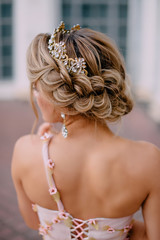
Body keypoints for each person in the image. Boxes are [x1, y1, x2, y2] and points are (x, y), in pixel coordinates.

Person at [11, 21, 160, 240]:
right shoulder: (148, 159)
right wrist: (120, 228)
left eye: (37, 87)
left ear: (58, 96)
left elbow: (33, 222)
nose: (35, 95)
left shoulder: (25, 150)